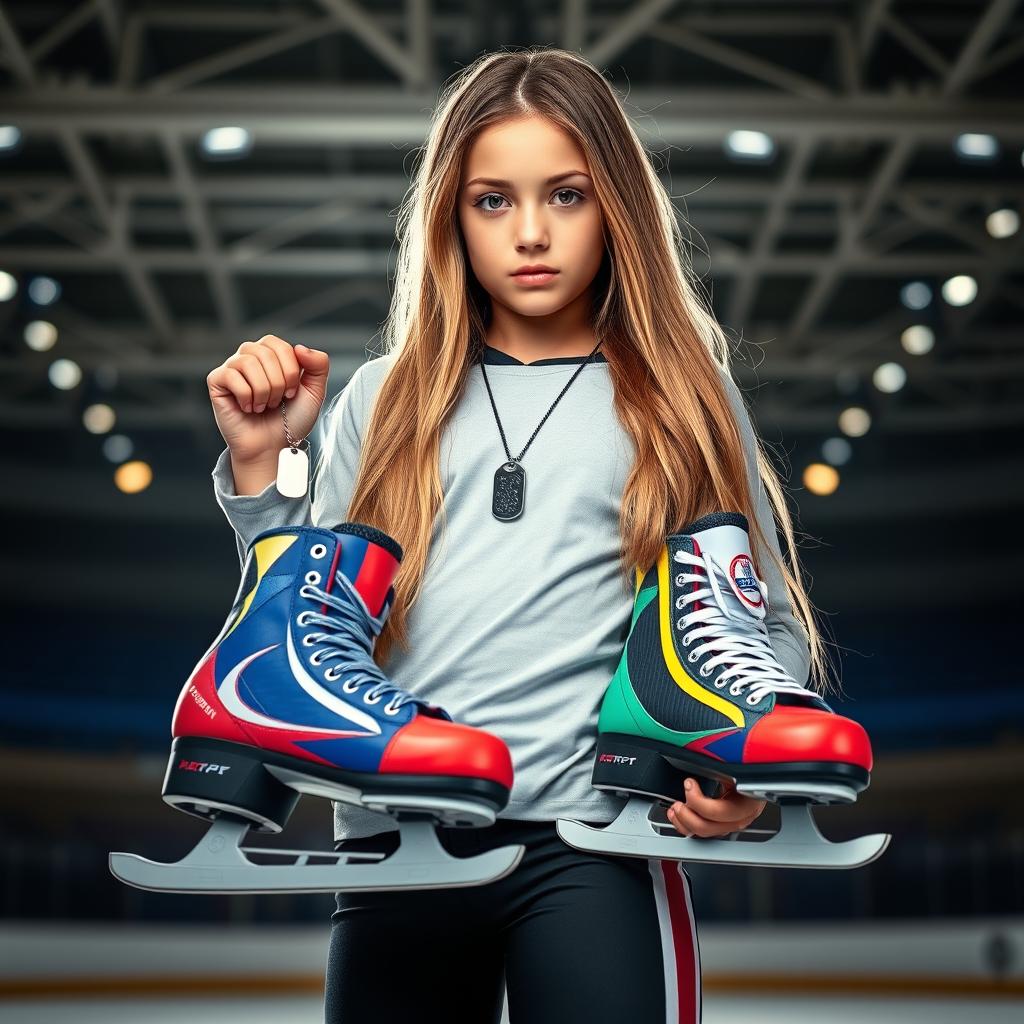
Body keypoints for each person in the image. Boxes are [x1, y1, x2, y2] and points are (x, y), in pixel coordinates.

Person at [205, 46, 828, 1024]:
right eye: (493, 200)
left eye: (567, 196)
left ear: (614, 205)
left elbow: (757, 625)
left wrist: (739, 772)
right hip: (398, 842)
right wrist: (260, 463)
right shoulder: (382, 399)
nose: (530, 233)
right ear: (453, 215)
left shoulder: (682, 399)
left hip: (597, 846)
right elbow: (294, 637)